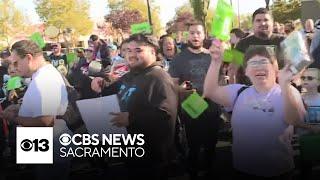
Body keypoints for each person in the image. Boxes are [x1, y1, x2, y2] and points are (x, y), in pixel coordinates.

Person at [204, 43, 320, 178]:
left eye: (264, 61)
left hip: (279, 171)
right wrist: (216, 61)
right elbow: (210, 92)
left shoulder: (288, 91)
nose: (259, 66)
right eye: (253, 63)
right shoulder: (238, 92)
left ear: (275, 68)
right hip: (242, 170)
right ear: (246, 71)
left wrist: (284, 84)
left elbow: (294, 120)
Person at [91, 33, 178, 180]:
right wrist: (101, 82)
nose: (131, 55)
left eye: (138, 50)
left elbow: (166, 114)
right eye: (128, 51)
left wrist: (132, 119)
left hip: (152, 158)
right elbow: (113, 87)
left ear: (153, 52)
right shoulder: (133, 74)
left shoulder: (158, 78)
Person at [3, 40, 71, 180]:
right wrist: (19, 108)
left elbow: (45, 121)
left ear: (28, 58)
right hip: (42, 143)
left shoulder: (45, 79)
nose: (14, 68)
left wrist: (12, 117)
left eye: (16, 63)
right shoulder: (41, 75)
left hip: (50, 146)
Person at [168, 22, 222, 179]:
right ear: (187, 36)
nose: (195, 36)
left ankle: (209, 170)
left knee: (211, 142)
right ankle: (193, 171)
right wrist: (181, 89)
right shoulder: (179, 58)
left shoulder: (212, 55)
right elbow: (173, 84)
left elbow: (222, 76)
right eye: (192, 33)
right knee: (194, 143)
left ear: (204, 34)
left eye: (198, 32)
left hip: (212, 101)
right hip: (192, 102)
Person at [234, 8, 285, 84]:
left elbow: (300, 64)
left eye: (266, 20)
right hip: (249, 91)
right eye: (258, 20)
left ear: (272, 23)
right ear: (253, 24)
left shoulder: (284, 41)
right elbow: (231, 69)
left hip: (280, 91)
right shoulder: (242, 44)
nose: (263, 23)